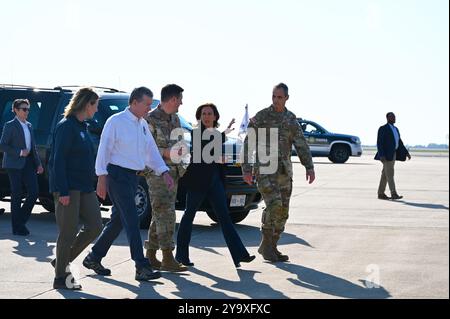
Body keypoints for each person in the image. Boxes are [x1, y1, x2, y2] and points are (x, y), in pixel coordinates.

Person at [84, 87, 175, 282]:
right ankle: (141, 266)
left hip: (132, 178)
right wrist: (101, 177)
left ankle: (94, 257)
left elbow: (150, 151)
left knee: (118, 221)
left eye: (151, 105)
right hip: (117, 176)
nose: (149, 109)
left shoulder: (142, 124)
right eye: (147, 104)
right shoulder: (116, 122)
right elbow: (104, 149)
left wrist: (164, 171)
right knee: (132, 220)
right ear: (134, 102)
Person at [242, 83, 315, 262]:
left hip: (284, 171)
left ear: (286, 98)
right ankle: (266, 245)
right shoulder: (262, 116)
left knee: (283, 211)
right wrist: (246, 168)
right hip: (265, 170)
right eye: (274, 96)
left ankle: (272, 246)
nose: (276, 100)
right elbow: (248, 141)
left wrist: (309, 166)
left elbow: (300, 143)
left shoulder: (291, 119)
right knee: (274, 206)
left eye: (279, 97)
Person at [176, 103, 255, 268]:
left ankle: (240, 255)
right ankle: (181, 256)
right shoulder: (196, 133)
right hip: (197, 182)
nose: (206, 116)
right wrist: (223, 138)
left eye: (209, 113)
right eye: (203, 113)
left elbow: (216, 151)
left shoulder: (216, 135)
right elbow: (206, 152)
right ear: (199, 116)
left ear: (215, 116)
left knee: (225, 218)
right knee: (189, 216)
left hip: (214, 182)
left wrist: (224, 137)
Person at [48, 88, 104, 290]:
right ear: (86, 104)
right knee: (68, 232)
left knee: (96, 226)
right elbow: (58, 160)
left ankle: (61, 262)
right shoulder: (66, 126)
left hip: (84, 187)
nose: (96, 110)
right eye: (95, 105)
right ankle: (60, 278)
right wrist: (62, 190)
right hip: (68, 188)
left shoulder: (83, 127)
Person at [143, 84, 188, 272]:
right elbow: (145, 149)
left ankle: (151, 254)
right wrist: (166, 153)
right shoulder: (149, 120)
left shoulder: (175, 119)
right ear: (172, 100)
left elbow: (181, 144)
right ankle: (168, 257)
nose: (181, 103)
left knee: (160, 213)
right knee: (166, 214)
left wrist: (181, 153)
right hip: (156, 174)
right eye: (180, 100)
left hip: (174, 173)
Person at [0, 99, 43, 236]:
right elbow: (3, 145)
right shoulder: (10, 125)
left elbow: (33, 146)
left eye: (28, 109)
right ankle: (17, 227)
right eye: (24, 109)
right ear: (16, 110)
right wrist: (19, 152)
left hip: (29, 163)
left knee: (34, 192)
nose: (27, 112)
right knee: (17, 195)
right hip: (14, 164)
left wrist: (38, 164)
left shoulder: (29, 125)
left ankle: (20, 222)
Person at [375, 112, 411, 200]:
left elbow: (399, 141)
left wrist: (406, 152)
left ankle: (380, 193)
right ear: (387, 118)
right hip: (386, 155)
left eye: (395, 117)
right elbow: (379, 143)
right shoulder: (383, 128)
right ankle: (393, 193)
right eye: (392, 117)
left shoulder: (396, 129)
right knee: (390, 173)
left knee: (385, 174)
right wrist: (382, 155)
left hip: (393, 154)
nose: (394, 118)